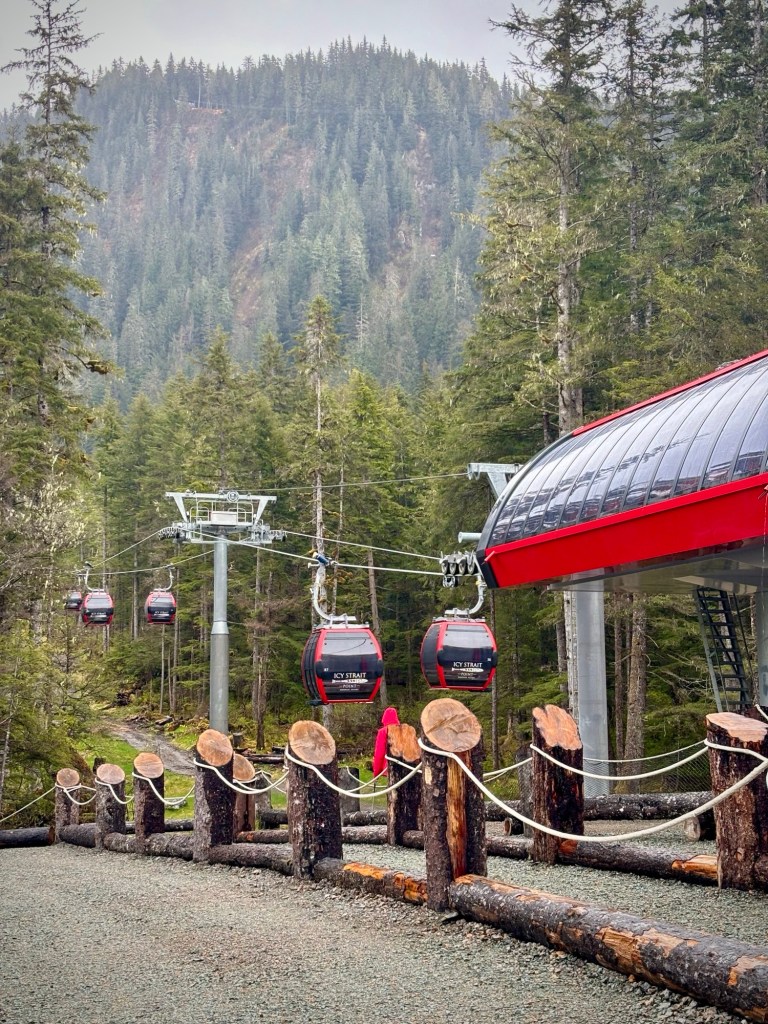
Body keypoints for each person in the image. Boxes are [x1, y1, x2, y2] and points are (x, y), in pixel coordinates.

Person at [372, 706, 400, 778]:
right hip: (405, 767)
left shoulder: (383, 732)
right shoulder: (403, 730)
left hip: (390, 766)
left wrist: (376, 772)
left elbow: (379, 753)